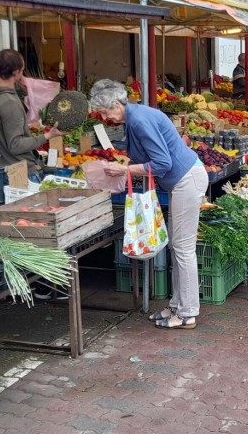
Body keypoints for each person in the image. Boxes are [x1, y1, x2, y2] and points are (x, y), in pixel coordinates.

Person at [91, 79, 208, 329]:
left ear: (115, 104)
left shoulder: (140, 120)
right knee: (178, 248)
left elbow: (163, 163)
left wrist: (125, 170)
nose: (104, 117)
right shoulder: (135, 117)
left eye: (104, 111)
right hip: (182, 180)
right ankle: (177, 306)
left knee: (183, 249)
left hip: (187, 179)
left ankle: (188, 313)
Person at [0, 49, 62, 177]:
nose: (22, 75)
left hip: (5, 167)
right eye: (22, 71)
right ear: (15, 72)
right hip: (20, 173)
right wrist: (48, 136)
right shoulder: (9, 103)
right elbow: (15, 145)